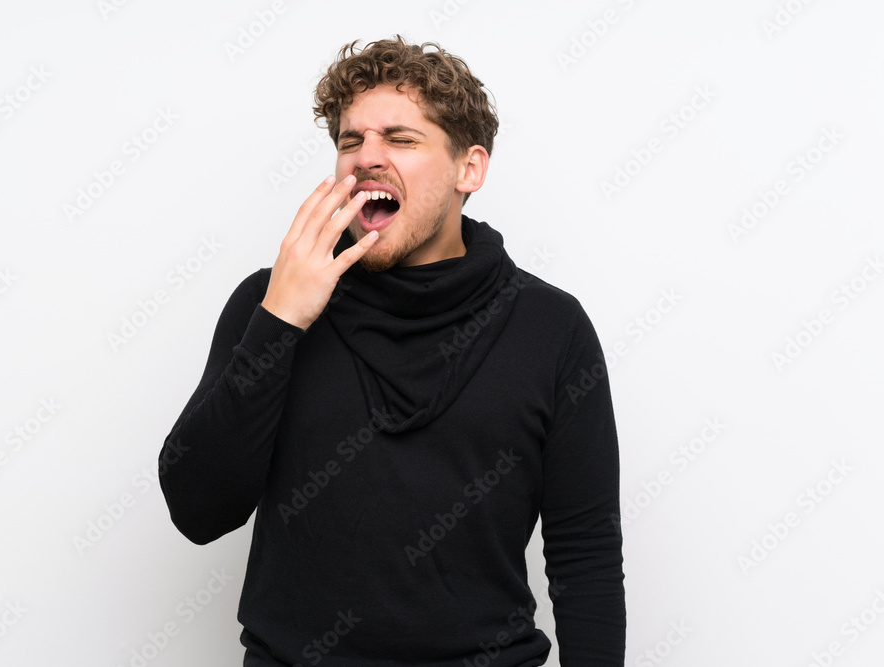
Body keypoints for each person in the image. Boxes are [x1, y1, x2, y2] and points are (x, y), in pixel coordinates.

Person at [158, 35, 625, 666]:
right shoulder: (269, 305)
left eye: (400, 139)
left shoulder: (551, 328)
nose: (365, 159)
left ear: (470, 169)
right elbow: (198, 510)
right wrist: (282, 320)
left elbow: (586, 555)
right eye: (351, 141)